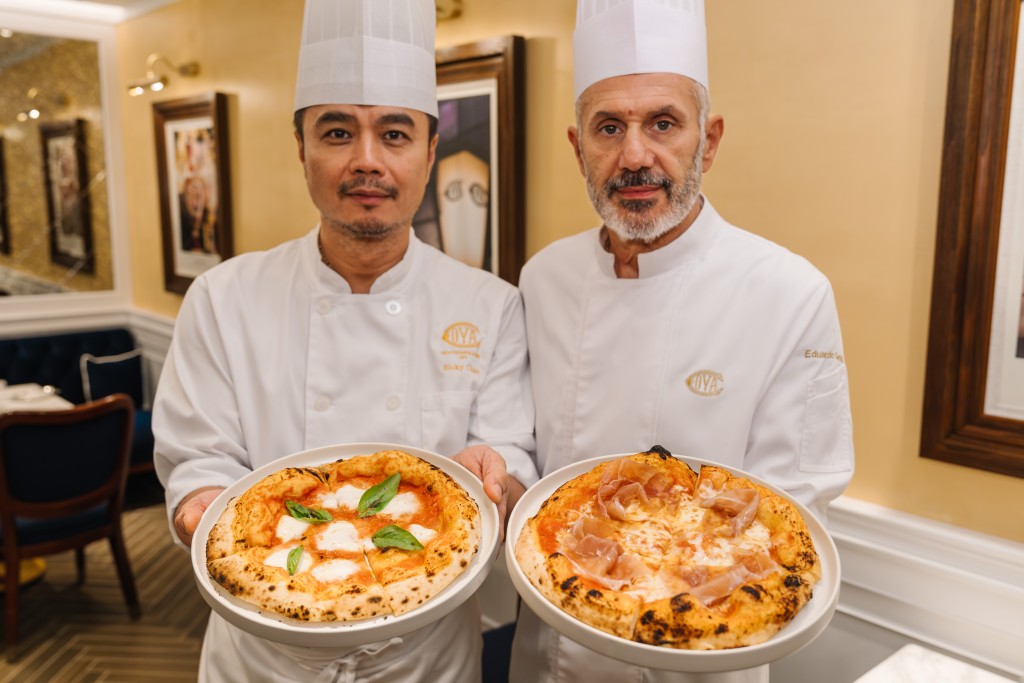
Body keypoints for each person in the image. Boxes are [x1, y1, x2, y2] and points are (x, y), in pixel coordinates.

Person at [152, 1, 536, 681]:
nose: (367, 162)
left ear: (429, 149)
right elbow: (197, 462)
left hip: (429, 660)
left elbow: (505, 454)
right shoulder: (221, 299)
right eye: (337, 132)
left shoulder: (493, 306)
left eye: (394, 134)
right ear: (300, 148)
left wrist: (494, 470)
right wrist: (199, 507)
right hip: (260, 657)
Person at [509, 1, 854, 682]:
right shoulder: (542, 277)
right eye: (609, 127)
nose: (635, 156)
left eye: (663, 123)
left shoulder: (791, 292)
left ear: (710, 140)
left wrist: (654, 579)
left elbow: (790, 519)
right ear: (578, 147)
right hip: (547, 655)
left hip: (705, 655)